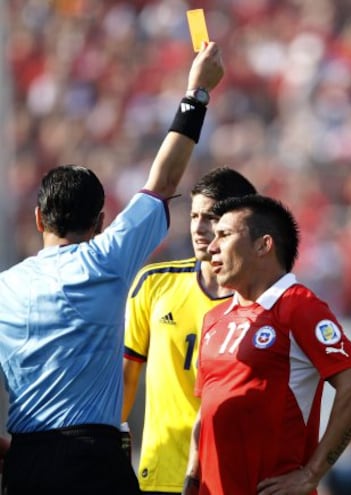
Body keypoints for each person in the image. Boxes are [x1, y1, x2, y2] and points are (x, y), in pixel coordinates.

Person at [0, 42, 224, 495]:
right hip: (94, 459)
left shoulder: (5, 288)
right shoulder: (108, 258)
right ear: (101, 221)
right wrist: (196, 93)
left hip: (26, 460)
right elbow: (163, 181)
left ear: (39, 219)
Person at [182, 194, 351, 495]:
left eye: (224, 235)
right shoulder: (215, 317)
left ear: (263, 245)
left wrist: (311, 475)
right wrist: (191, 479)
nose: (212, 247)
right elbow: (207, 410)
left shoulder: (299, 307)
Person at [122, 167, 257, 494]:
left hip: (232, 479)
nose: (198, 227)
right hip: (162, 474)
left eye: (210, 217)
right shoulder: (154, 284)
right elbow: (124, 382)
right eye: (194, 215)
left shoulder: (264, 304)